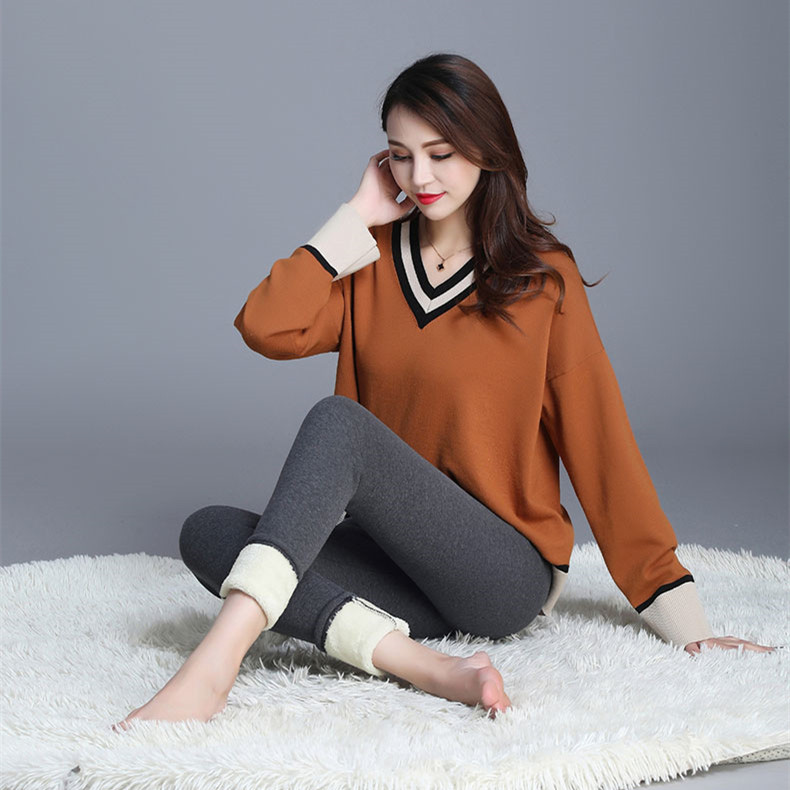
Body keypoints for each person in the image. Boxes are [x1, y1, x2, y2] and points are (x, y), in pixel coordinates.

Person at [112, 53, 774, 733]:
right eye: (400, 156)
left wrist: (684, 619)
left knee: (339, 424)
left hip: (498, 573)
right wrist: (355, 216)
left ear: (485, 148)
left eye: (441, 154)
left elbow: (602, 449)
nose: (419, 178)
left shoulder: (542, 281)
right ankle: (429, 667)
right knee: (210, 532)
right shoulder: (368, 260)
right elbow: (265, 325)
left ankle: (211, 670)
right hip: (396, 566)